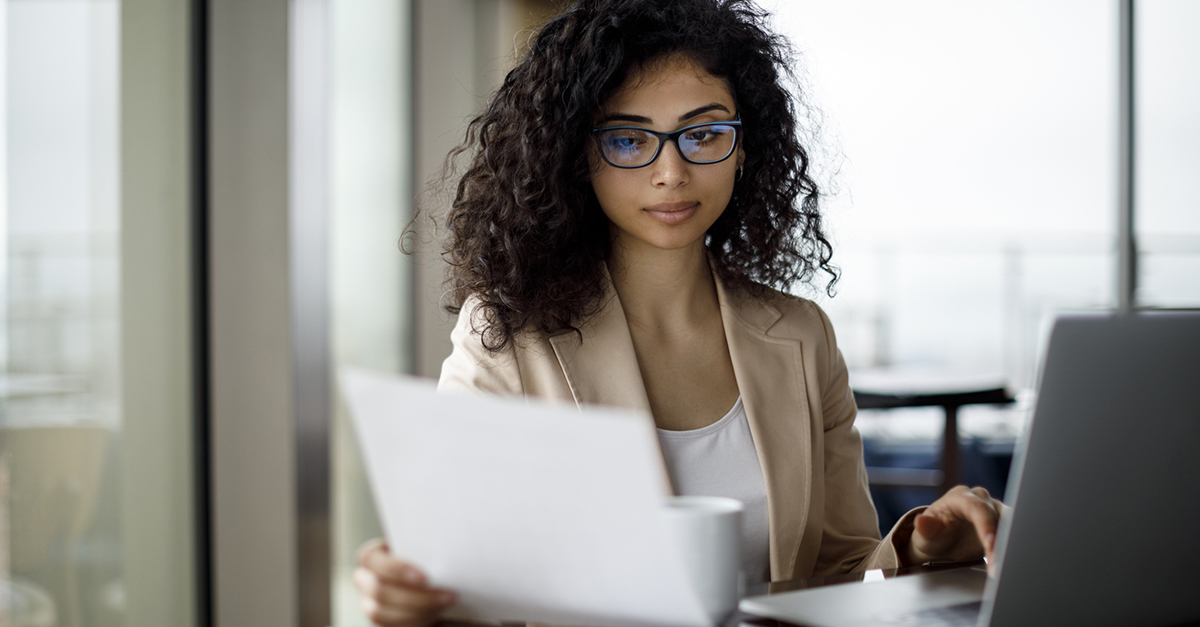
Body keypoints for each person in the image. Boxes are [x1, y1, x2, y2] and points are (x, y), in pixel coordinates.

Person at [354, 1, 1005, 625]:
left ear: (744, 144)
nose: (672, 171)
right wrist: (418, 601)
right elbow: (469, 586)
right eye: (629, 139)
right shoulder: (504, 336)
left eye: (703, 133)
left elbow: (838, 571)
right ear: (578, 154)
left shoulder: (803, 336)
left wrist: (919, 546)